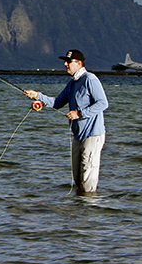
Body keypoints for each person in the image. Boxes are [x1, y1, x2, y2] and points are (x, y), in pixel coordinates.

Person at [24, 49, 108, 193]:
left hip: (93, 135)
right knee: (77, 178)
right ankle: (78, 211)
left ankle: (89, 210)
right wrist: (37, 95)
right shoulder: (72, 84)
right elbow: (57, 102)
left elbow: (103, 103)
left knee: (88, 181)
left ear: (79, 63)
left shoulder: (90, 79)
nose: (65, 64)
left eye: (69, 62)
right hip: (78, 136)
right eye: (65, 61)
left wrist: (79, 113)